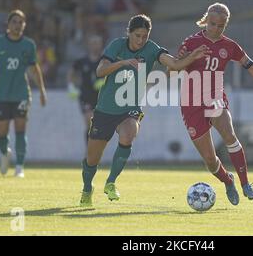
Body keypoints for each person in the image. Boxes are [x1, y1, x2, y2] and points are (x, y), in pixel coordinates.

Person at [79, 14, 211, 206]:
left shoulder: (151, 49)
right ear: (129, 33)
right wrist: (123, 62)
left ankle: (111, 182)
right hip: (106, 109)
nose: (141, 40)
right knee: (92, 159)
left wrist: (192, 57)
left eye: (145, 36)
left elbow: (174, 64)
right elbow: (100, 71)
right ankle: (87, 188)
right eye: (137, 35)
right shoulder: (117, 45)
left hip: (129, 109)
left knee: (129, 133)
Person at [177, 3, 253, 206]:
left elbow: (252, 67)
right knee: (210, 159)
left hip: (215, 98)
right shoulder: (191, 41)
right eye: (212, 24)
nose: (215, 29)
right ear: (205, 21)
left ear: (225, 25)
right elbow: (174, 68)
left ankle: (246, 184)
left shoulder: (230, 46)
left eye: (220, 26)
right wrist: (190, 56)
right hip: (191, 102)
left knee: (229, 135)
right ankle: (227, 180)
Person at [0, 9, 47, 178]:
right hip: (1, 95)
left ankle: (20, 167)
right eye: (14, 21)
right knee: (1, 133)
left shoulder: (29, 45)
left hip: (21, 94)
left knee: (20, 129)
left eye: (21, 22)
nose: (17, 25)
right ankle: (5, 152)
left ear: (24, 25)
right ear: (8, 24)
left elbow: (35, 69)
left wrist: (42, 90)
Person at [67, 35, 105, 144]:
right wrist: (71, 86)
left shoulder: (105, 61)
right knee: (89, 122)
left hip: (101, 98)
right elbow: (71, 72)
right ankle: (89, 151)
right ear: (89, 45)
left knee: (98, 126)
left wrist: (105, 81)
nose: (95, 46)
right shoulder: (82, 61)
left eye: (97, 43)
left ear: (101, 45)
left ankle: (95, 151)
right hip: (86, 96)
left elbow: (114, 74)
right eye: (93, 43)